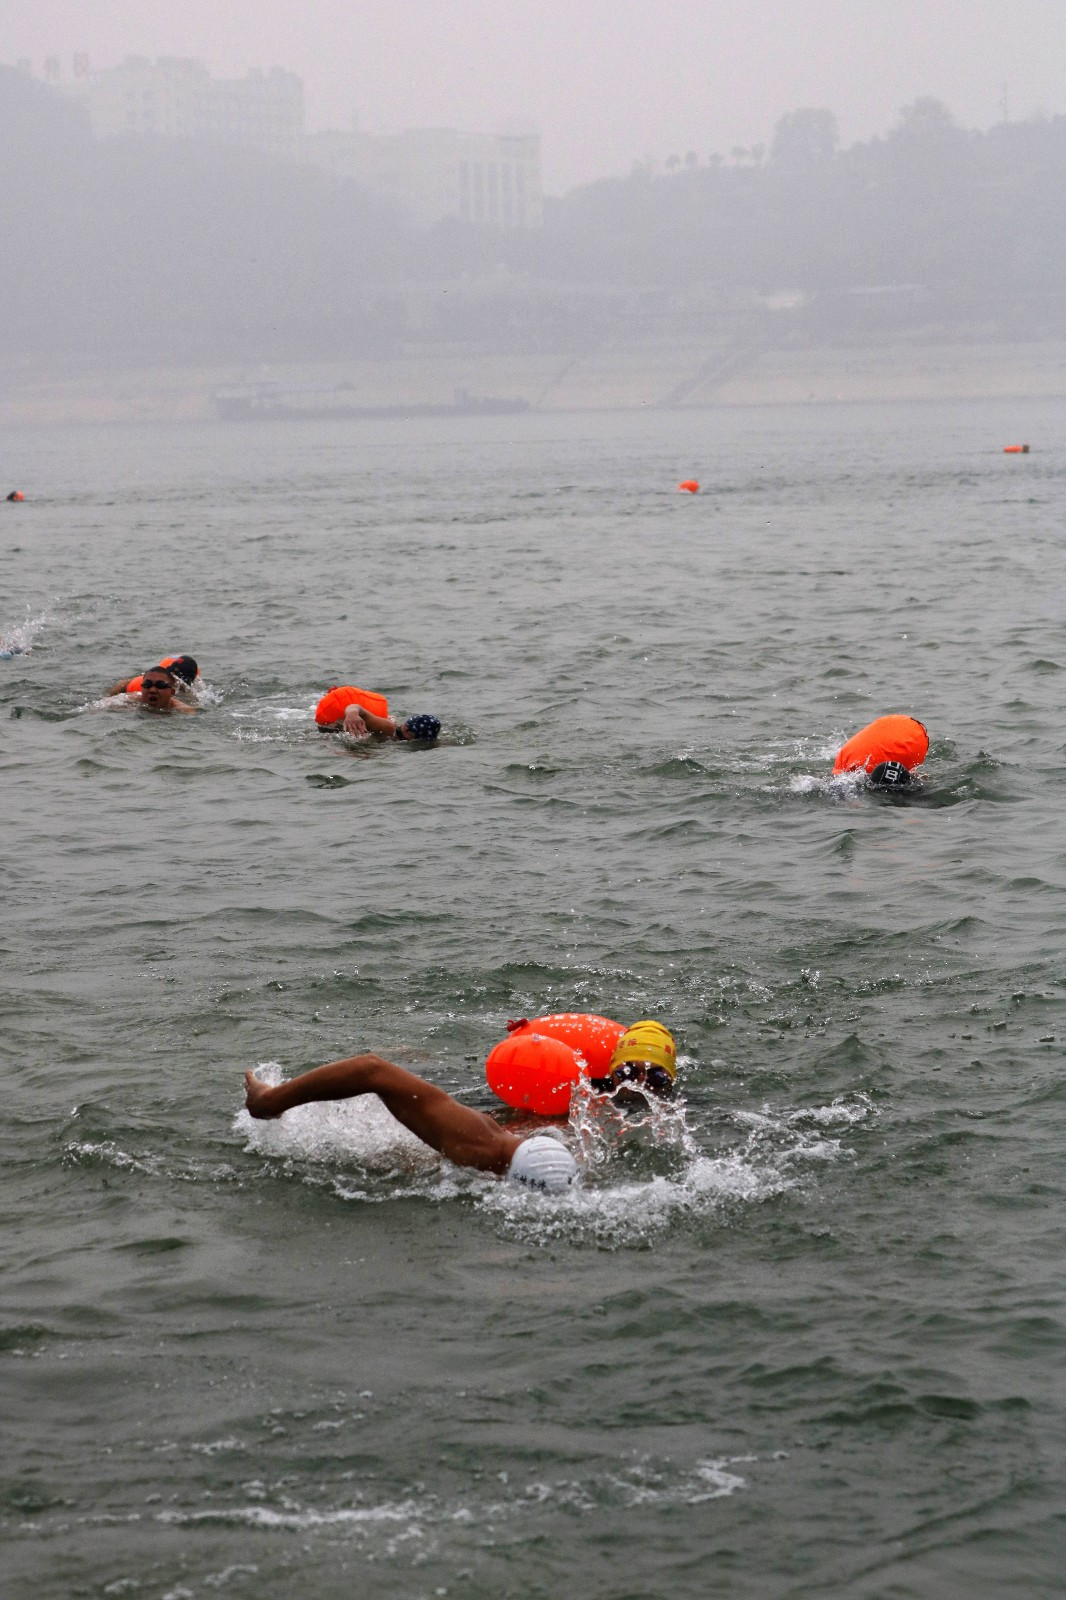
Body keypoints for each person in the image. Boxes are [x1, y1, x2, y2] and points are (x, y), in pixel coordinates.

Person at [244, 1054, 579, 1193]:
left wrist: (269, 1102)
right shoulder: (573, 1174)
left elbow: (371, 1069)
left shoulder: (482, 1144)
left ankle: (268, 1102)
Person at [113, 665, 198, 713]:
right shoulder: (129, 700)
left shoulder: (184, 710)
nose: (152, 690)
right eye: (147, 685)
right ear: (141, 688)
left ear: (172, 692)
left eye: (160, 685)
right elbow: (102, 705)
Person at [107, 655, 199, 699]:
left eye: (173, 675)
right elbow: (124, 684)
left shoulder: (189, 696)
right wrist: (109, 696)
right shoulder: (149, 682)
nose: (169, 675)